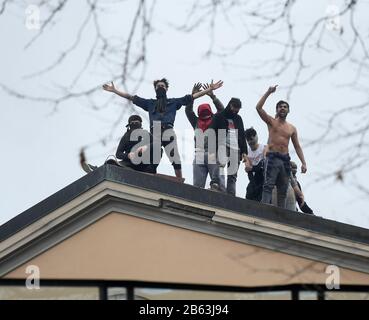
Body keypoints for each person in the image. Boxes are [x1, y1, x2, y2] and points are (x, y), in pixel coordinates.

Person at [103, 78, 223, 179]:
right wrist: (115, 90)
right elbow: (132, 98)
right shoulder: (150, 103)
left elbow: (190, 97)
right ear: (155, 89)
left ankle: (179, 179)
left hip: (168, 131)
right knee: (154, 148)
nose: (160, 87)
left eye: (163, 86)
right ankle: (146, 168)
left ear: (166, 89)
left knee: (175, 158)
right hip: (155, 132)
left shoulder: (173, 102)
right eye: (158, 86)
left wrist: (210, 89)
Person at [256, 85, 307, 209]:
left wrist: (303, 162)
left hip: (284, 159)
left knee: (283, 188)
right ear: (277, 109)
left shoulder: (291, 128)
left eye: (285, 107)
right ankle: (263, 209)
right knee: (268, 185)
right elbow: (258, 108)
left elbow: (297, 146)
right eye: (280, 107)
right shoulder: (272, 122)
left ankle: (281, 213)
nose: (282, 108)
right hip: (273, 157)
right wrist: (268, 92)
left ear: (288, 110)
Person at [80, 115, 158, 174]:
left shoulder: (146, 134)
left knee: (158, 149)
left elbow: (157, 144)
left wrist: (146, 147)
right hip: (130, 163)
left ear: (140, 124)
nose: (135, 124)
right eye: (133, 123)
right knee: (111, 162)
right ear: (129, 125)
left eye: (137, 123)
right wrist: (128, 155)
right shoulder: (126, 137)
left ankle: (150, 171)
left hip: (145, 164)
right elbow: (118, 154)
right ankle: (97, 172)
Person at [185, 82, 225, 191]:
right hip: (199, 154)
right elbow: (188, 111)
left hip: (213, 152)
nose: (205, 115)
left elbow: (222, 111)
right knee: (197, 187)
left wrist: (213, 96)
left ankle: (222, 202)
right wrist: (192, 96)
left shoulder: (215, 120)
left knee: (219, 185)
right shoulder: (196, 121)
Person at [209, 98, 252, 195]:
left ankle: (231, 195)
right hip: (222, 145)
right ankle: (215, 184)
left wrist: (244, 153)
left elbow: (241, 135)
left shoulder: (238, 118)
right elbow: (211, 132)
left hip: (236, 149)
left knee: (232, 175)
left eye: (238, 109)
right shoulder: (219, 116)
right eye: (235, 108)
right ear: (230, 105)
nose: (236, 111)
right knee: (220, 164)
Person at [245, 128, 266, 201]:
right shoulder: (246, 152)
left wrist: (253, 168)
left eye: (252, 140)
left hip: (263, 177)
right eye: (249, 141)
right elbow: (247, 168)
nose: (251, 143)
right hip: (253, 178)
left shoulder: (264, 148)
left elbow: (263, 165)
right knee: (249, 191)